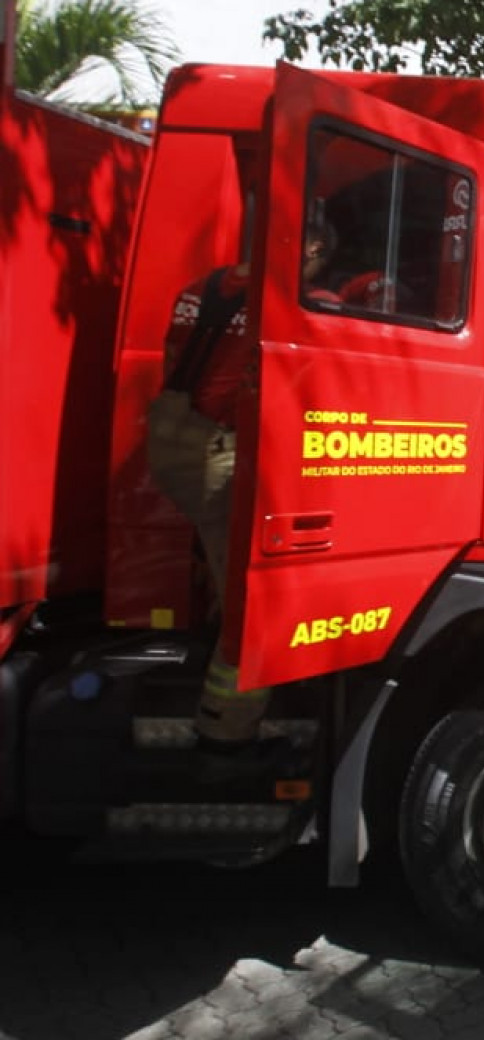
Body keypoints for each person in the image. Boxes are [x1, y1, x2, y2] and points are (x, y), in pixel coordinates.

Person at [146, 219, 337, 750]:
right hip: (216, 453)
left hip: (170, 434)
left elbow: (174, 359)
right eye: (319, 260)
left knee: (222, 551)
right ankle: (224, 733)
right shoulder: (292, 303)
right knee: (251, 606)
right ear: (312, 249)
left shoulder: (202, 289)